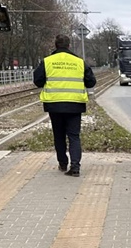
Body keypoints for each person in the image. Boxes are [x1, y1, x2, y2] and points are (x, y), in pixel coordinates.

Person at [33, 34, 96, 176]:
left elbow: (37, 81)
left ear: (55, 46)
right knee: (74, 136)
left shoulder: (47, 61)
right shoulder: (79, 62)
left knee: (59, 135)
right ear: (69, 46)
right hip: (75, 104)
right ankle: (75, 167)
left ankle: (62, 163)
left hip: (55, 104)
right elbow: (91, 82)